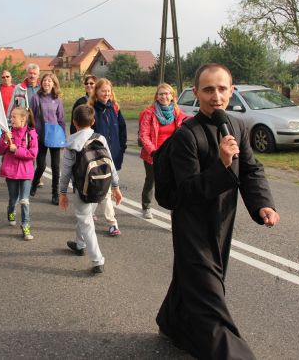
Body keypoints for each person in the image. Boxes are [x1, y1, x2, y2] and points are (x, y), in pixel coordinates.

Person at [156, 64, 281, 359]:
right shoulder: (187, 135)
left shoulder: (236, 125)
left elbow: (250, 170)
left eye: (222, 89)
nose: (216, 96)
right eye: (209, 89)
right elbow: (186, 191)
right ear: (196, 92)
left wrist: (263, 203)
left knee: (196, 282)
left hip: (223, 219)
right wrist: (222, 166)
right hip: (192, 226)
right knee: (210, 297)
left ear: (232, 91)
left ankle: (172, 323)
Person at [59, 105, 123, 274]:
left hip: (83, 189)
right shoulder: (100, 138)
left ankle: (97, 260)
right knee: (85, 216)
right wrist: (115, 186)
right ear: (93, 121)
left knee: (86, 222)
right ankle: (79, 245)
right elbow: (111, 164)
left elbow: (65, 172)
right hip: (102, 186)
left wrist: (62, 193)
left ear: (74, 122)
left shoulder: (72, 142)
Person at [138, 83, 188, 219]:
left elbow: (187, 126)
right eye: (161, 94)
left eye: (167, 93)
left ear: (172, 96)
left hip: (172, 155)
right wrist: (153, 152)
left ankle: (174, 211)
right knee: (151, 181)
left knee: (173, 182)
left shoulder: (178, 113)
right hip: (152, 154)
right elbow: (144, 135)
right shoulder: (149, 113)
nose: (164, 96)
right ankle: (146, 206)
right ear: (157, 96)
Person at [88, 78, 126, 236]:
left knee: (102, 188)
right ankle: (112, 223)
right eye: (103, 90)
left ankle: (88, 212)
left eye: (108, 91)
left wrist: (121, 147)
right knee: (106, 189)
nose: (106, 93)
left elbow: (122, 129)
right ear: (96, 92)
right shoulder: (91, 109)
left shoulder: (115, 108)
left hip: (114, 153)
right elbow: (85, 132)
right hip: (98, 155)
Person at [0, 107, 38, 240]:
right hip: (11, 171)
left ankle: (25, 226)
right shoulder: (8, 133)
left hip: (26, 172)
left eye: (14, 117)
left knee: (24, 200)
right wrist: (6, 141)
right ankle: (11, 210)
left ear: (23, 119)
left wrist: (17, 150)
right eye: (11, 116)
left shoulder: (31, 134)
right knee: (13, 198)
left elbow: (33, 154)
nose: (11, 119)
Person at [29, 73, 65, 205]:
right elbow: (30, 117)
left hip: (55, 136)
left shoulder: (57, 100)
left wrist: (63, 139)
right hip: (40, 136)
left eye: (49, 81)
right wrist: (31, 134)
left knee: (56, 167)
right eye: (45, 81)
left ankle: (55, 194)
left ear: (54, 84)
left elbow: (61, 120)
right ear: (41, 83)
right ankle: (34, 184)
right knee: (42, 166)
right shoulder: (36, 98)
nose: (47, 83)